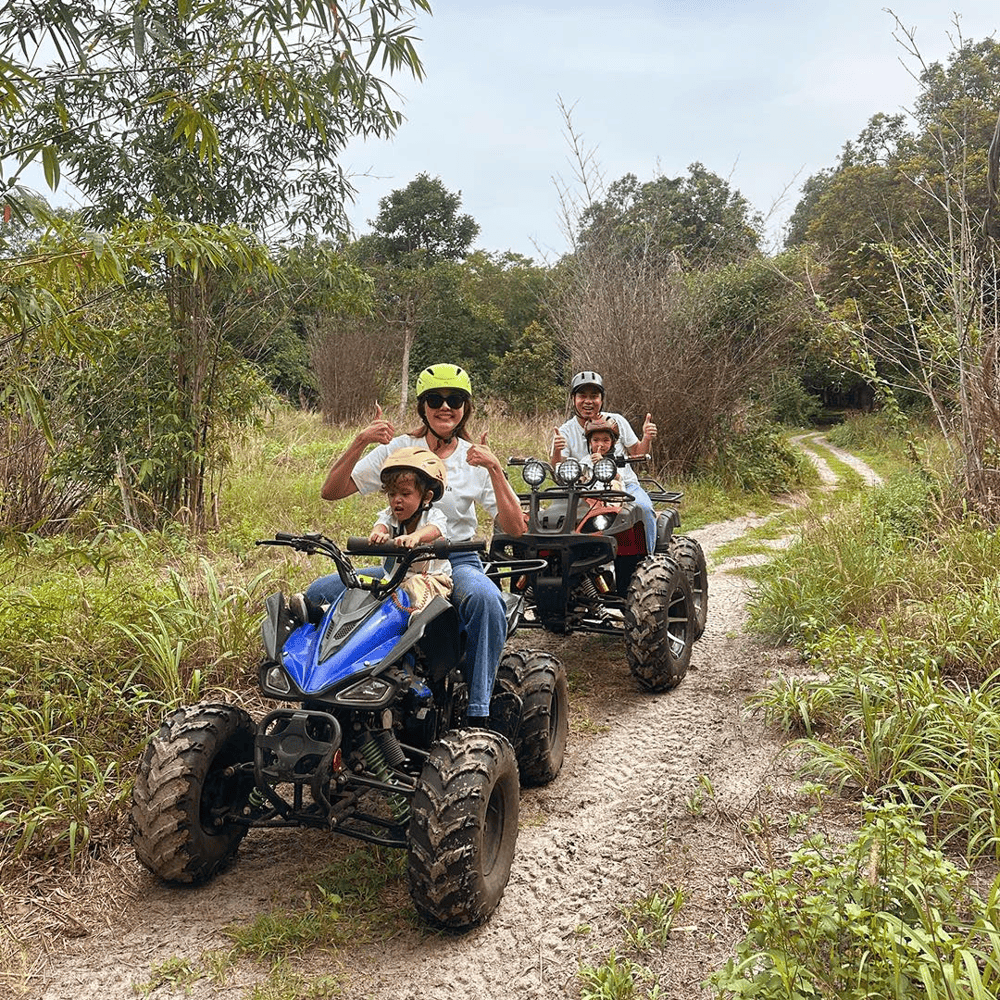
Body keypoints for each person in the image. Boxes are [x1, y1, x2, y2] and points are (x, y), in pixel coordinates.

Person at [305, 362, 527, 726]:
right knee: (318, 593)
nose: (445, 407)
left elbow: (516, 527)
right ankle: (326, 695)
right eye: (435, 399)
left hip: (454, 560)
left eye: (454, 400)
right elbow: (332, 491)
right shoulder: (400, 449)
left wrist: (494, 469)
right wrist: (361, 441)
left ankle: (478, 712)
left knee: (486, 600)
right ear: (423, 406)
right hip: (397, 561)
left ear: (466, 407)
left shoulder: (474, 457)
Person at [551, 371, 659, 553]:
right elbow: (558, 469)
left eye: (594, 396)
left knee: (645, 509)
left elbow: (638, 452)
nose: (588, 401)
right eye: (582, 396)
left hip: (623, 486)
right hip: (582, 491)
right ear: (573, 399)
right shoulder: (565, 431)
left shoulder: (617, 421)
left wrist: (647, 438)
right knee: (555, 518)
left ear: (601, 399)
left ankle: (650, 558)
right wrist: (557, 449)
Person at [369, 446, 452, 612]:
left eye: (405, 494)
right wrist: (377, 534)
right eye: (392, 494)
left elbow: (435, 529)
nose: (397, 500)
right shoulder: (390, 516)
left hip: (432, 581)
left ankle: (419, 619)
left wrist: (416, 537)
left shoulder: (433, 516)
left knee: (416, 584)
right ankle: (324, 612)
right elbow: (381, 525)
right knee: (364, 589)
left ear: (426, 497)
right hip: (394, 582)